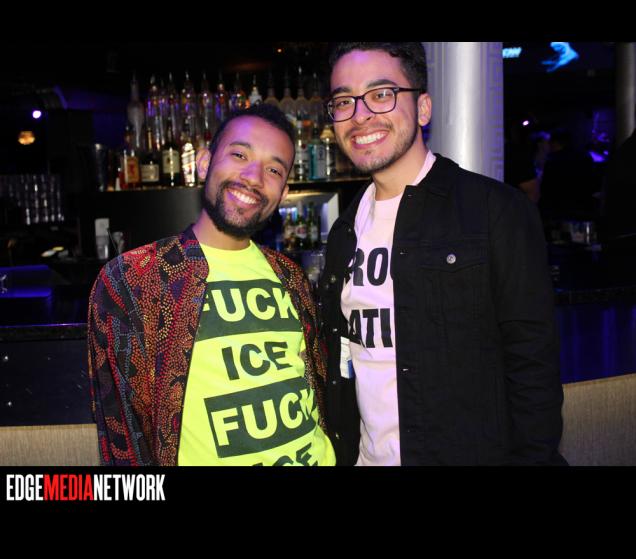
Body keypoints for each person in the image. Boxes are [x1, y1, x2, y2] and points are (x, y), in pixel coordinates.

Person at [319, 42, 567, 466]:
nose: (360, 115)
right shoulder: (344, 232)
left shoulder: (495, 212)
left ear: (423, 108)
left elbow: (534, 374)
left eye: (381, 94)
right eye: (344, 101)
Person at [88, 104, 335, 466]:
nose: (254, 177)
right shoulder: (136, 279)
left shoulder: (291, 276)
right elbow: (123, 439)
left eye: (274, 169)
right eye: (240, 155)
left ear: (283, 193)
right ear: (204, 164)